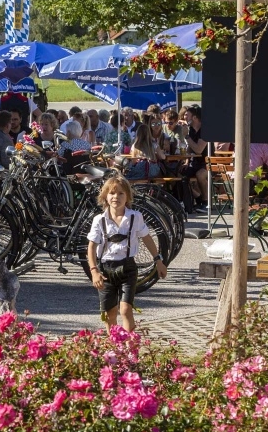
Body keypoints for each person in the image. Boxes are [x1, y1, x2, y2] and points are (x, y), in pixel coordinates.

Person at [87, 176, 166, 333]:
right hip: (105, 269)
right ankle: (114, 343)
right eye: (112, 193)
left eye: (121, 193)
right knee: (109, 313)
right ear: (105, 196)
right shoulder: (99, 220)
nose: (116, 197)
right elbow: (91, 247)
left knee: (125, 309)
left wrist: (158, 261)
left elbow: (147, 239)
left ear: (128, 197)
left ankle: (129, 342)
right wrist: (94, 271)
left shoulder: (135, 217)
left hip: (127, 268)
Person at [180, 105, 208, 211]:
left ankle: (206, 202)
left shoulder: (205, 130)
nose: (184, 117)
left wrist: (186, 136)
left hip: (207, 163)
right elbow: (190, 148)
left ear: (195, 117)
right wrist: (186, 162)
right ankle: (197, 199)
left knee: (200, 175)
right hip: (195, 162)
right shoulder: (191, 130)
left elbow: (198, 150)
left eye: (187, 115)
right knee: (180, 175)